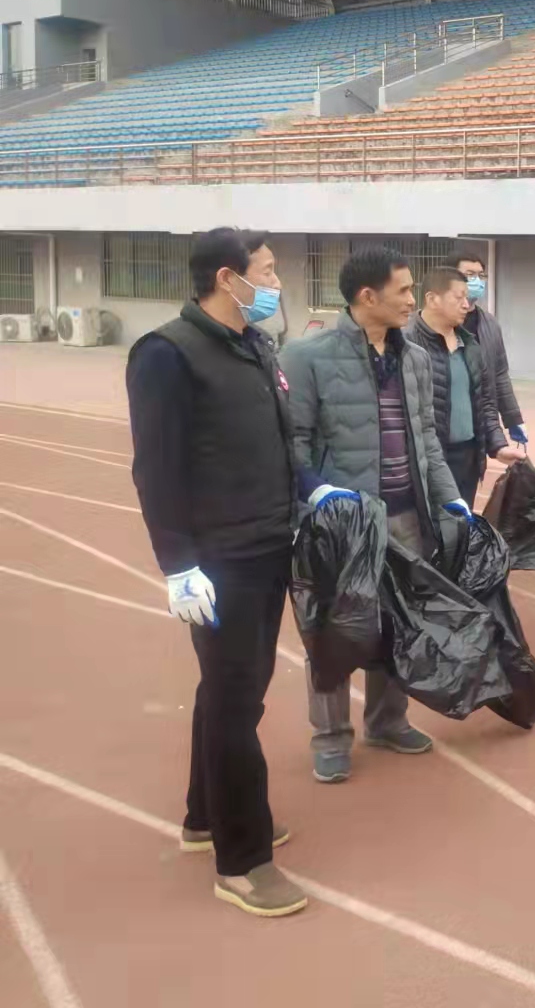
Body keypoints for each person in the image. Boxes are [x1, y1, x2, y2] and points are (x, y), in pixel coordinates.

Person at [127, 228, 307, 919]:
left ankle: (204, 816)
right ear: (229, 278)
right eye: (268, 270)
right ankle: (243, 860)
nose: (277, 283)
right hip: (219, 560)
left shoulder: (254, 345)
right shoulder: (168, 353)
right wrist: (178, 565)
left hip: (268, 543)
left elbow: (279, 439)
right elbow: (155, 468)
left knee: (236, 691)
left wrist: (312, 490)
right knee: (235, 704)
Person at [280, 247, 468, 785]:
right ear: (368, 296)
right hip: (342, 525)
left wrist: (450, 497)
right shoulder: (307, 357)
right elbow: (292, 443)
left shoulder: (414, 357)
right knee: (335, 632)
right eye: (403, 290)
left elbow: (426, 437)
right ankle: (330, 738)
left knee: (397, 624)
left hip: (407, 517)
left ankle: (387, 722)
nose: (412, 300)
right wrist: (316, 496)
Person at [403, 268, 524, 503]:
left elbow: (485, 403)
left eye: (467, 298)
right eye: (459, 298)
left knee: (463, 522)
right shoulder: (406, 345)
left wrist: (498, 446)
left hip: (468, 460)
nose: (466, 305)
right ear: (432, 299)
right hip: (426, 462)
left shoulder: (470, 345)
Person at [452, 250, 528, 452]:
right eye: (469, 275)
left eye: (481, 275)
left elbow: (500, 375)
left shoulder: (490, 324)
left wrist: (513, 418)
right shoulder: (436, 324)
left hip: (481, 421)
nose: (477, 281)